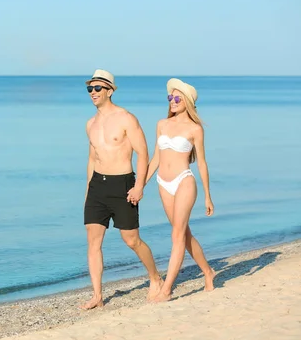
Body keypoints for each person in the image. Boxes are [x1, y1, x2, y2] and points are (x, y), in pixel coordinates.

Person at [81, 69, 163, 310]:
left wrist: (139, 186)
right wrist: (88, 191)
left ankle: (155, 278)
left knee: (131, 239)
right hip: (97, 185)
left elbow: (143, 152)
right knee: (93, 242)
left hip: (123, 184)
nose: (93, 93)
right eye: (90, 89)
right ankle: (97, 295)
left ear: (109, 90)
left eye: (97, 88)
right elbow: (91, 158)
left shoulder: (126, 118)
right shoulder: (90, 124)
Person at [145, 77, 216, 302]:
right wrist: (139, 186)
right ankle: (208, 271)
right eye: (170, 97)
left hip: (184, 181)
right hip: (163, 184)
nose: (172, 101)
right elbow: (156, 157)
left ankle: (166, 290)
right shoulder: (161, 124)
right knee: (184, 235)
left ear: (186, 101)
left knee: (176, 235)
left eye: (177, 98)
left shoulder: (195, 129)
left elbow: (202, 163)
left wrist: (207, 196)